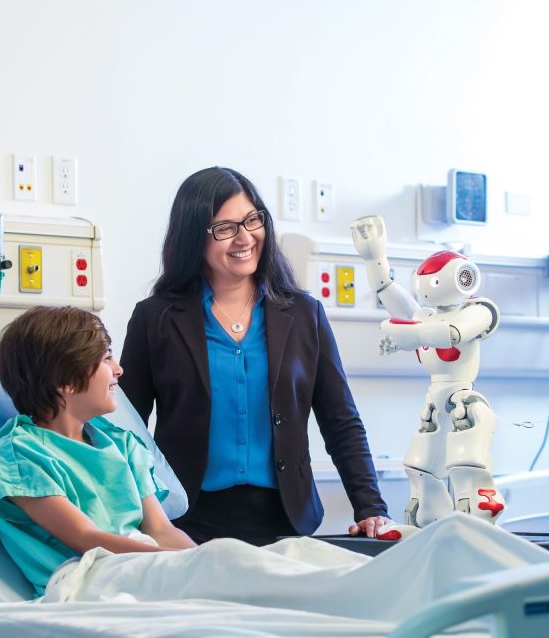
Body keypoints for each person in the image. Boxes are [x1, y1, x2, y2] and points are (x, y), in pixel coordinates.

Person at [119, 166, 391, 546]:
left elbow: (340, 420)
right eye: (225, 228)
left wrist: (371, 508)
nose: (244, 237)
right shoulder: (156, 319)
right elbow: (125, 430)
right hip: (187, 523)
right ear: (193, 237)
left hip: (287, 521)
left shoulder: (303, 315)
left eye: (251, 220)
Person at [0, 305, 196, 595]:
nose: (119, 369)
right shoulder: (19, 453)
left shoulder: (122, 443)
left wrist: (202, 562)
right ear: (65, 381)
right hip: (82, 576)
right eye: (106, 358)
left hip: (144, 563)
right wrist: (175, 565)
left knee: (256, 563)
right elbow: (85, 538)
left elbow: (161, 530)